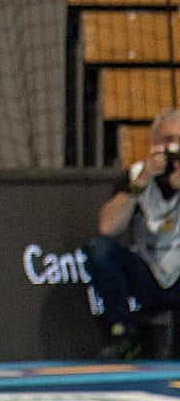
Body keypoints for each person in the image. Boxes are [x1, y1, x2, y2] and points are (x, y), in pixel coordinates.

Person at [88, 108, 180, 360]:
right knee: (100, 249)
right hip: (147, 271)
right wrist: (142, 182)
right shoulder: (135, 175)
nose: (173, 149)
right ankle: (124, 335)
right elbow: (107, 228)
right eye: (166, 140)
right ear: (152, 145)